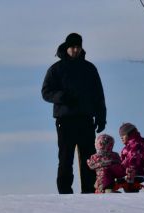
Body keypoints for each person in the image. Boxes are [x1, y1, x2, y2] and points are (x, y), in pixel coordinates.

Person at [42, 33, 107, 194]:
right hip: (65, 120)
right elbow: (45, 92)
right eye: (73, 47)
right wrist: (61, 97)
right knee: (65, 158)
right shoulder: (56, 69)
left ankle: (90, 191)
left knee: (89, 159)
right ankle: (64, 193)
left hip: (86, 119)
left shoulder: (89, 69)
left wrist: (101, 117)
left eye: (78, 47)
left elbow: (98, 95)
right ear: (67, 47)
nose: (76, 50)